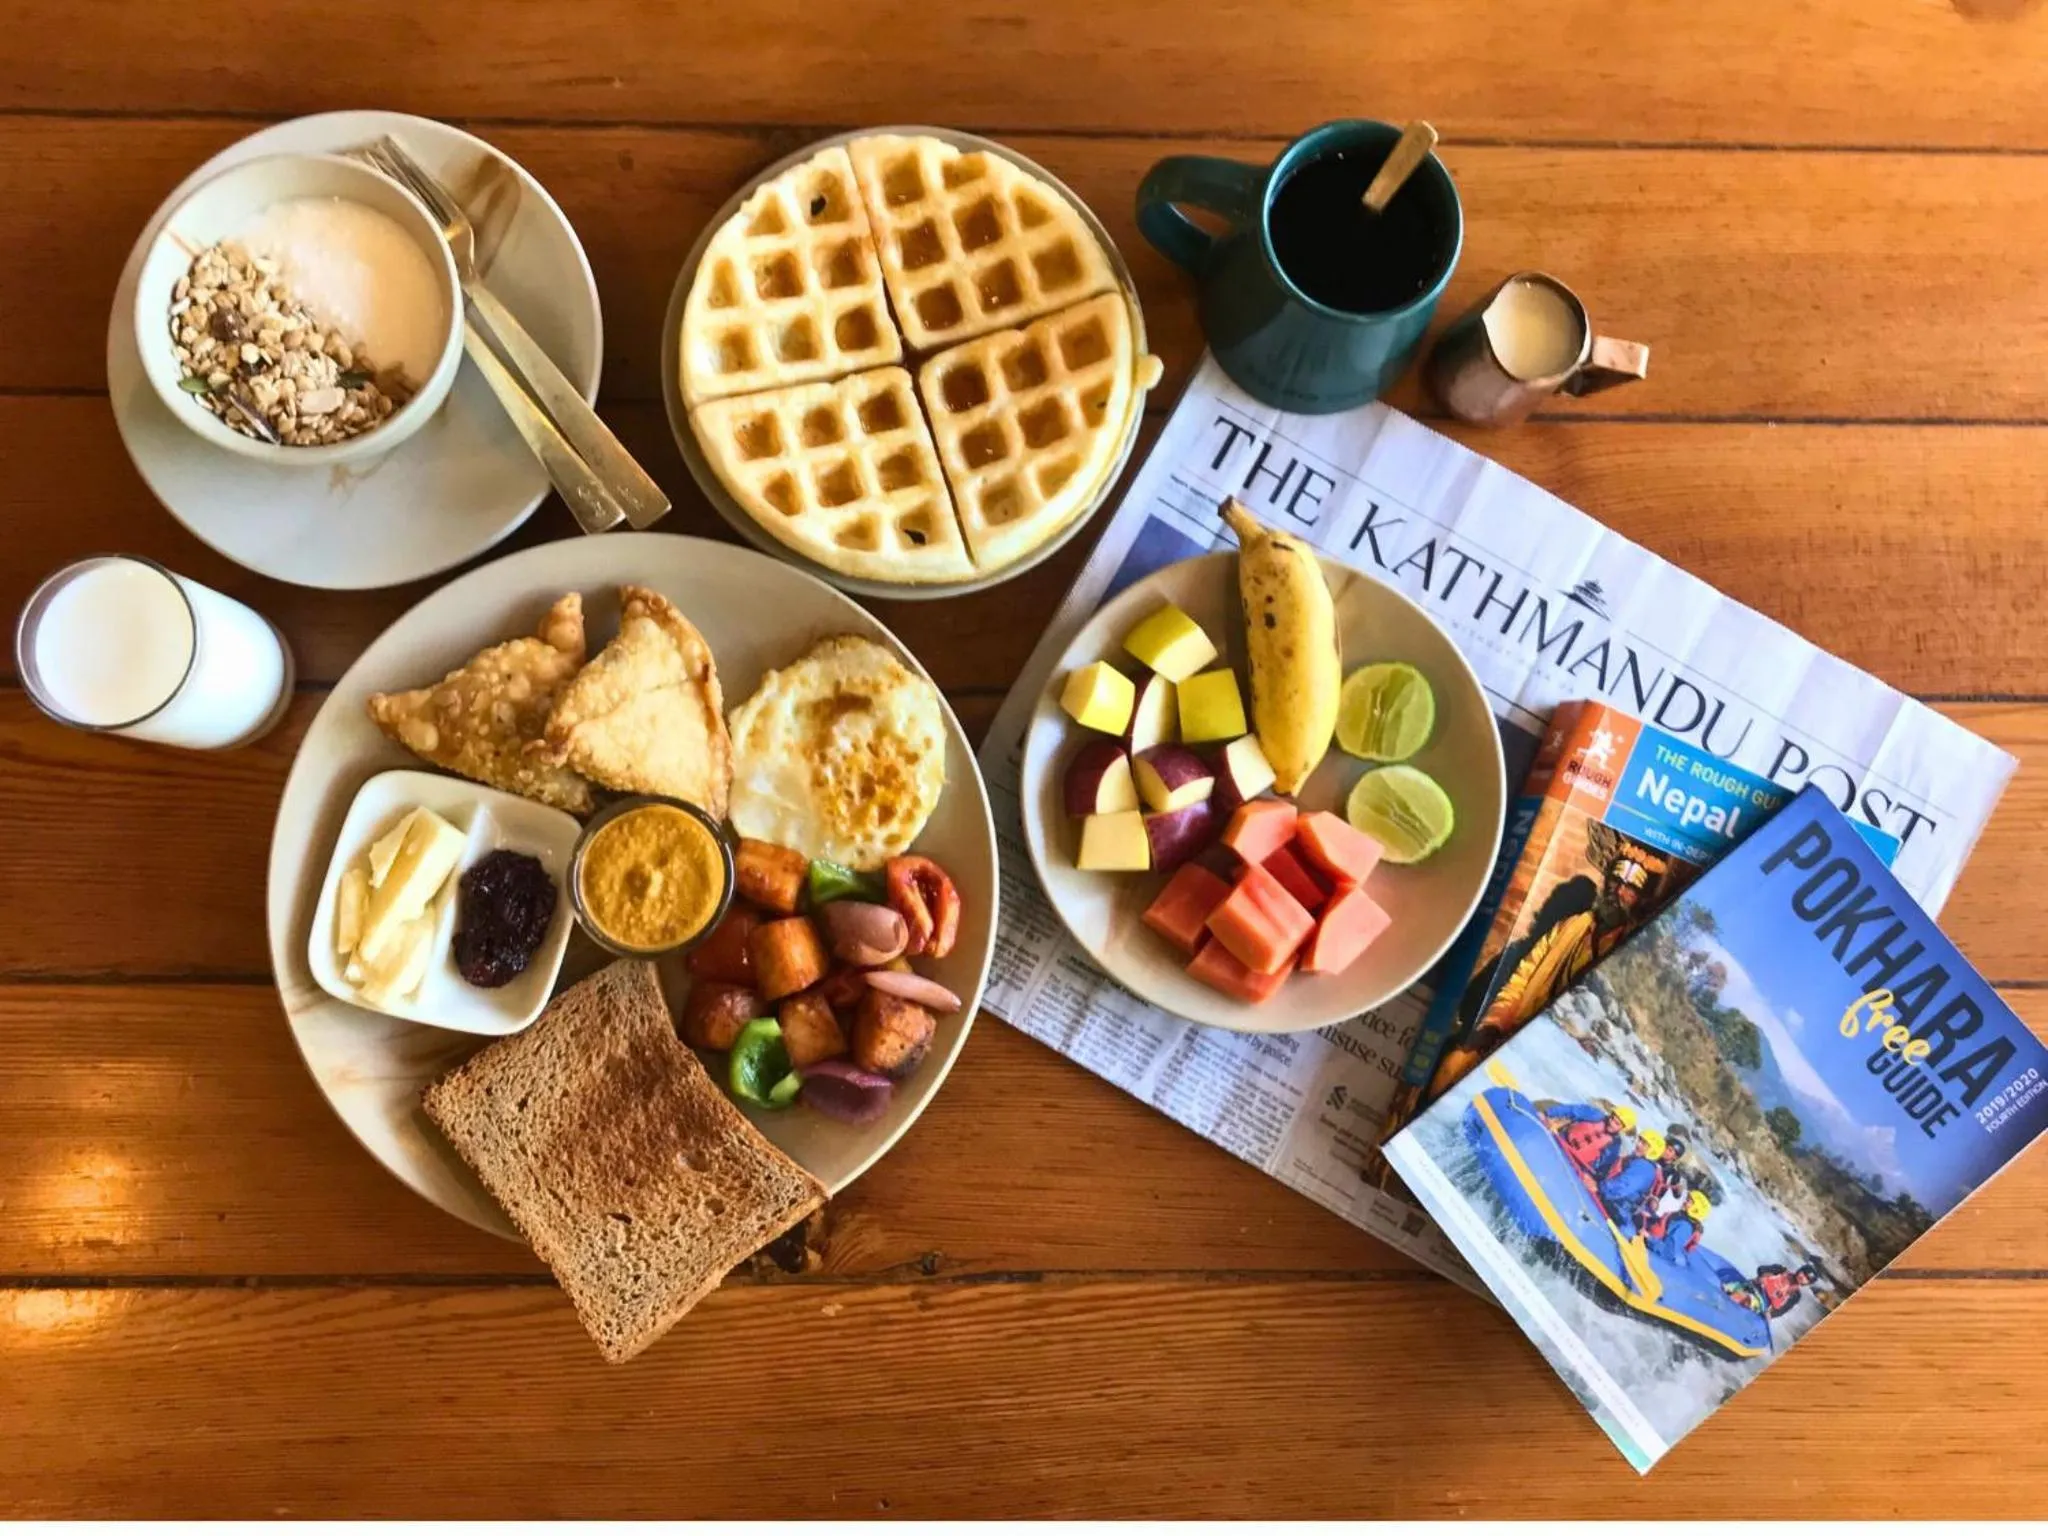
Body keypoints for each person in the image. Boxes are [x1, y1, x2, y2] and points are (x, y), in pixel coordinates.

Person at [1597, 1126, 1667, 1236]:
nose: (1638, 1144)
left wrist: (1598, 1188)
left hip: (1617, 1207)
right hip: (1613, 1200)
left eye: (1645, 1144)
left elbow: (1622, 1187)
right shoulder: (1637, 1161)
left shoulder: (1644, 1168)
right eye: (1640, 1140)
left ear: (1652, 1151)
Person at [1543, 1100, 1637, 1179]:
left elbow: (1603, 1167)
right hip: (1559, 1142)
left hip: (1573, 1165)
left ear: (1623, 1128)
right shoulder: (1595, 1115)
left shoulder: (1614, 1145)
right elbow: (1572, 1110)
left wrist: (1591, 1178)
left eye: (1617, 1123)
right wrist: (1548, 1113)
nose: (1611, 1123)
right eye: (1612, 1118)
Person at [1647, 1189, 1712, 1261]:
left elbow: (1668, 1252)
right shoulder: (1680, 1215)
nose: (1684, 1201)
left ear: (1695, 1209)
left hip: (1653, 1246)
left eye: (1688, 1201)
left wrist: (1649, 1238)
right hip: (1650, 1237)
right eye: (1686, 1199)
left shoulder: (1685, 1227)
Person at [1749, 1261, 1823, 1319]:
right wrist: (1763, 1276)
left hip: (1761, 1306)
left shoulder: (1796, 1295)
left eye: (1807, 1279)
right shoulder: (1780, 1270)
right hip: (1753, 1289)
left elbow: (1781, 1311)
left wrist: (1770, 1314)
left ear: (1807, 1283)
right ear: (1800, 1271)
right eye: (1803, 1274)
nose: (1803, 1278)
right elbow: (1761, 1269)